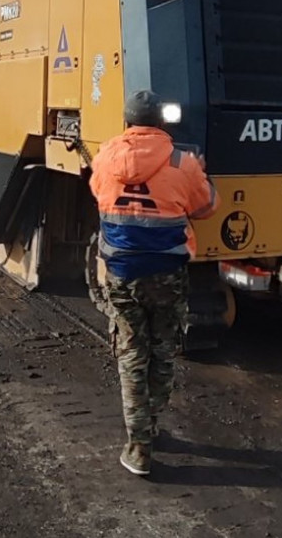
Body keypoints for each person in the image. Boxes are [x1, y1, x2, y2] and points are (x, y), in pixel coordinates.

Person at [89, 89, 220, 477]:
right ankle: (153, 424)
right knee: (162, 351)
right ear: (162, 123)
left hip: (122, 273)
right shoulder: (183, 162)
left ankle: (139, 445)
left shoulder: (105, 155)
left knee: (131, 353)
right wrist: (202, 176)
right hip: (167, 275)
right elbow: (207, 208)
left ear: (128, 123)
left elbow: (98, 194)